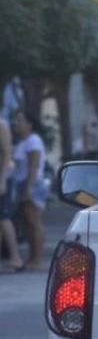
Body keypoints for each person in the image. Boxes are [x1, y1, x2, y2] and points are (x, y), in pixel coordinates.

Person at [12, 110, 47, 270]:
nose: (16, 123)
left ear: (30, 125)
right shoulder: (23, 142)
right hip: (22, 183)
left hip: (32, 183)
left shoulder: (33, 141)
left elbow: (34, 165)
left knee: (34, 222)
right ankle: (32, 256)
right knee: (27, 222)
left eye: (20, 120)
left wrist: (29, 187)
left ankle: (38, 258)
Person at [0, 114, 24, 272]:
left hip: (2, 177)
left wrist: (2, 180)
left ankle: (16, 257)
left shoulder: (2, 125)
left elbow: (7, 153)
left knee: (4, 217)